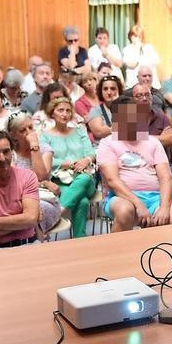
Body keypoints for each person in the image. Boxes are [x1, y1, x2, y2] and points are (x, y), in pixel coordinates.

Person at [97, 95, 172, 232]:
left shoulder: (153, 142)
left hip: (154, 198)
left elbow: (165, 177)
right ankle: (116, 246)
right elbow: (112, 180)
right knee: (125, 211)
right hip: (121, 197)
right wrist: (138, 204)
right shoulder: (107, 143)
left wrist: (164, 208)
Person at [41, 97, 97, 239]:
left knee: (84, 178)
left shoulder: (79, 130)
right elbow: (47, 160)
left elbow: (91, 152)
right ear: (52, 113)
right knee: (82, 202)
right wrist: (67, 163)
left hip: (85, 177)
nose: (65, 114)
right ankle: (80, 242)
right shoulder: (45, 135)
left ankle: (56, 215)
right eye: (60, 110)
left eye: (68, 110)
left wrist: (86, 160)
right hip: (61, 180)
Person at [129, 79, 172, 202]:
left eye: (147, 95)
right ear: (132, 100)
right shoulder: (126, 117)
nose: (144, 98)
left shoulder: (161, 116)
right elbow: (129, 142)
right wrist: (162, 139)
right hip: (138, 165)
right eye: (139, 96)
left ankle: (163, 203)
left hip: (162, 163)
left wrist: (141, 139)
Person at [8, 112, 65, 237]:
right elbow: (14, 182)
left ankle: (37, 239)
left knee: (36, 211)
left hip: (45, 200)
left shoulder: (45, 149)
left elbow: (41, 176)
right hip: (19, 200)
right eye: (22, 130)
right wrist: (42, 184)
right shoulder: (10, 153)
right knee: (23, 211)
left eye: (30, 127)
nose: (29, 132)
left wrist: (34, 146)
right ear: (13, 135)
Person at [85, 73, 124, 141]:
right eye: (105, 89)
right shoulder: (95, 110)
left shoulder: (128, 107)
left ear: (119, 91)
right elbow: (99, 132)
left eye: (113, 89)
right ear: (101, 91)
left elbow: (139, 132)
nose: (109, 92)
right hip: (103, 145)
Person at [122, 24, 160, 88]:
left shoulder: (149, 48)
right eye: (135, 36)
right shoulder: (127, 49)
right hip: (133, 84)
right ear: (130, 36)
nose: (137, 38)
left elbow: (156, 61)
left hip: (150, 84)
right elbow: (131, 65)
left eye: (139, 36)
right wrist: (137, 50)